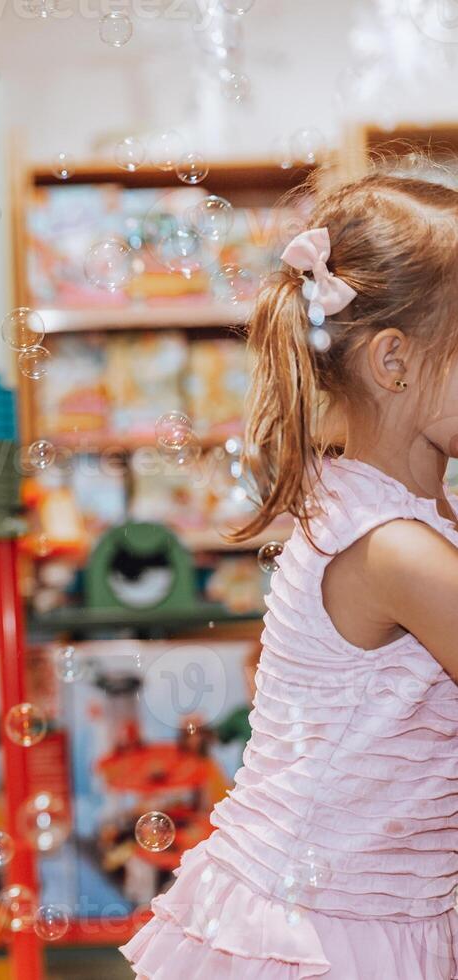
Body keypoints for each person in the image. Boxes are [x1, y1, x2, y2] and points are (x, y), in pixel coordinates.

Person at [122, 170, 458, 978]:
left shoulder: (356, 498)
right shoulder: (397, 550)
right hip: (326, 935)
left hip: (342, 907)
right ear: (393, 362)